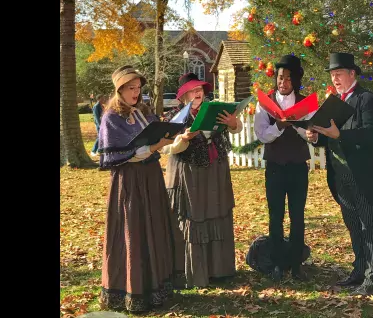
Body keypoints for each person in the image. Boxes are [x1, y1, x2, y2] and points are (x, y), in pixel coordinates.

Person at [306, 52, 373, 296]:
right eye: (332, 75)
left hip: (364, 176)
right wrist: (317, 138)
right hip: (340, 175)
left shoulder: (368, 99)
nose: (335, 79)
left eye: (339, 74)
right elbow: (330, 136)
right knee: (354, 226)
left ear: (352, 74)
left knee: (371, 226)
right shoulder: (334, 102)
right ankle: (359, 272)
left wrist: (340, 135)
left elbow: (370, 135)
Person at [97, 65, 177, 312]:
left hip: (151, 179)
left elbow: (158, 139)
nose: (136, 92)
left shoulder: (144, 112)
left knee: (152, 227)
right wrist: (153, 147)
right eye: (131, 88)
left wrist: (174, 136)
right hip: (129, 182)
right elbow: (123, 155)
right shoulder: (112, 118)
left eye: (138, 88)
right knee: (132, 230)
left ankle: (155, 287)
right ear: (119, 89)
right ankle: (132, 290)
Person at [162, 72, 243, 288]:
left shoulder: (215, 109)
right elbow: (166, 147)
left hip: (216, 169)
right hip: (190, 171)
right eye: (193, 90)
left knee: (217, 211)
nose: (198, 92)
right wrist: (184, 138)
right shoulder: (175, 116)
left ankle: (220, 269)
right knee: (195, 215)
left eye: (200, 89)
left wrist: (234, 123)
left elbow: (236, 128)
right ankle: (196, 272)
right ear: (184, 95)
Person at [253, 55, 313, 282]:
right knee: (275, 216)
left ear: (295, 81)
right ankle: (277, 263)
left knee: (298, 217)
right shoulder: (265, 103)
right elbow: (262, 135)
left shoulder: (305, 102)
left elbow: (310, 133)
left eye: (288, 78)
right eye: (280, 78)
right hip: (275, 167)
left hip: (298, 166)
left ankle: (297, 265)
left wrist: (297, 124)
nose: (283, 82)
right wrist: (278, 125)